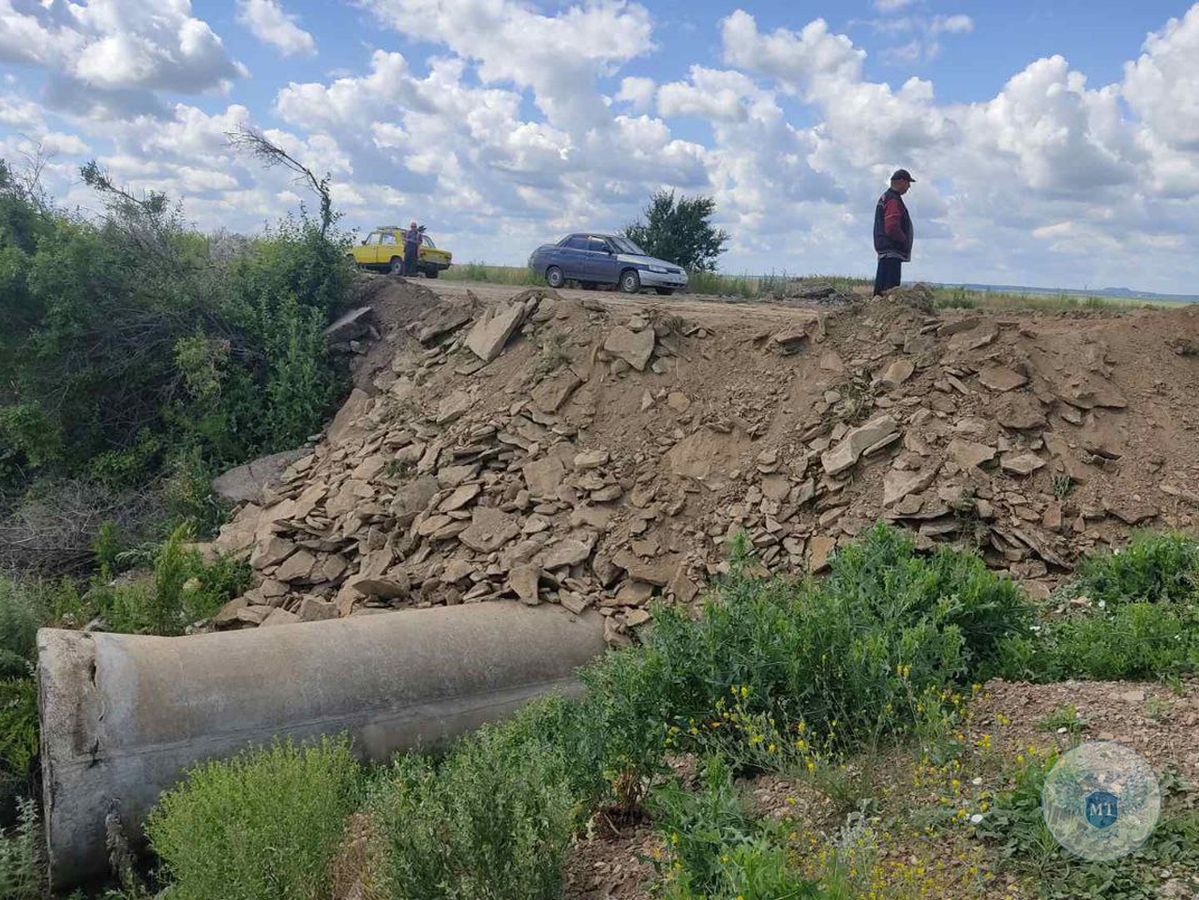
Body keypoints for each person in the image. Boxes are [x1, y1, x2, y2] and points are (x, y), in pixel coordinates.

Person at [873, 169, 915, 295]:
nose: (909, 187)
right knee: (889, 292)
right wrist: (903, 241)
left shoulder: (886, 197)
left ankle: (876, 311)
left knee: (881, 292)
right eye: (908, 183)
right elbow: (892, 226)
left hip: (886, 251)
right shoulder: (893, 199)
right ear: (901, 182)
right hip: (892, 251)